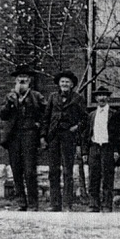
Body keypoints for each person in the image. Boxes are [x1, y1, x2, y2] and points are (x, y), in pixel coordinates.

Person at [0, 65, 46, 211]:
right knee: (16, 170)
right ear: (16, 80)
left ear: (30, 80)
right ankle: (21, 202)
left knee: (30, 170)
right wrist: (10, 103)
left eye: (25, 78)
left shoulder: (37, 96)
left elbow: (45, 115)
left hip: (30, 135)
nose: (22, 80)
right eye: (19, 78)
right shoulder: (9, 96)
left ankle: (33, 204)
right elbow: (3, 115)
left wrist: (40, 131)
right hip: (13, 137)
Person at [43, 70, 87, 212]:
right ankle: (54, 203)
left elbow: (85, 119)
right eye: (62, 82)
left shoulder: (78, 98)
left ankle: (67, 204)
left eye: (67, 82)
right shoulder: (52, 97)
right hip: (54, 136)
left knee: (68, 171)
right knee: (53, 170)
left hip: (69, 137)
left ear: (72, 84)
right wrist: (44, 136)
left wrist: (76, 128)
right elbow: (46, 117)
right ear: (58, 84)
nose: (64, 84)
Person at [83, 86, 120, 212]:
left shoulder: (114, 114)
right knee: (93, 177)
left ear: (108, 98)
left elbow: (119, 134)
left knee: (107, 177)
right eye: (99, 95)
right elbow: (86, 134)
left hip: (108, 147)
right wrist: (85, 152)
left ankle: (107, 205)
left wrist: (117, 150)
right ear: (95, 98)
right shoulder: (91, 115)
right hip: (94, 147)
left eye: (104, 95)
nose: (102, 98)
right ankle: (93, 204)